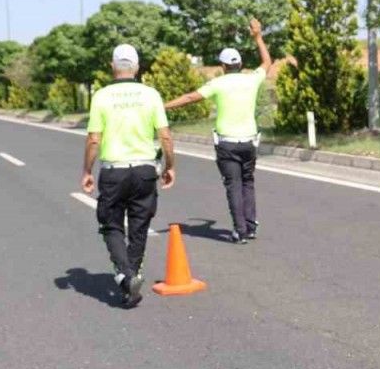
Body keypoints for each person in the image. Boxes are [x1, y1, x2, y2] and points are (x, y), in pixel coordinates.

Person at [82, 44, 176, 308]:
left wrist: (87, 170)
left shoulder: (101, 96)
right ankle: (131, 279)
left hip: (114, 171)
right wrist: (169, 166)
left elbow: (93, 139)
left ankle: (126, 275)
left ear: (113, 67)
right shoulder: (151, 95)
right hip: (145, 171)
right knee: (139, 226)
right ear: (137, 67)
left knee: (111, 224)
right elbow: (165, 136)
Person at [165, 18, 271, 244]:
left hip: (227, 144)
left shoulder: (217, 84)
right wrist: (257, 37)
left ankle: (239, 230)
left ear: (223, 67)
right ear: (240, 64)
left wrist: (164, 106)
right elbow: (267, 62)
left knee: (233, 185)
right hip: (249, 143)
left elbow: (190, 97)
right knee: (247, 182)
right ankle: (250, 227)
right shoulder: (251, 80)